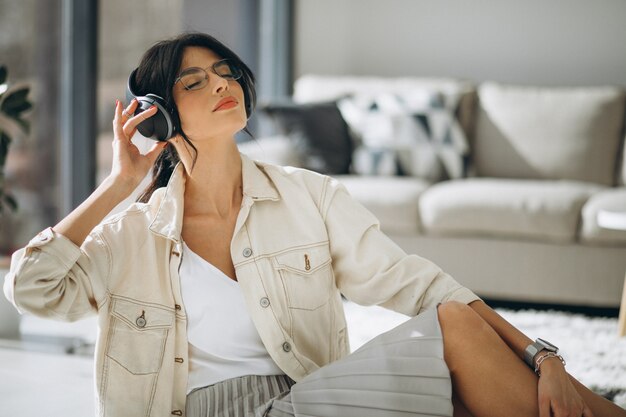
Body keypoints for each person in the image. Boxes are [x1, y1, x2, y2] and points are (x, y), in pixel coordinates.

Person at [3, 32, 624, 417]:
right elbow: (32, 291)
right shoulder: (131, 233)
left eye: (225, 72)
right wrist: (119, 183)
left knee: (462, 355)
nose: (222, 84)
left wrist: (544, 358)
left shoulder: (308, 197)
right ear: (162, 119)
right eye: (195, 82)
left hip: (305, 400)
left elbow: (422, 288)